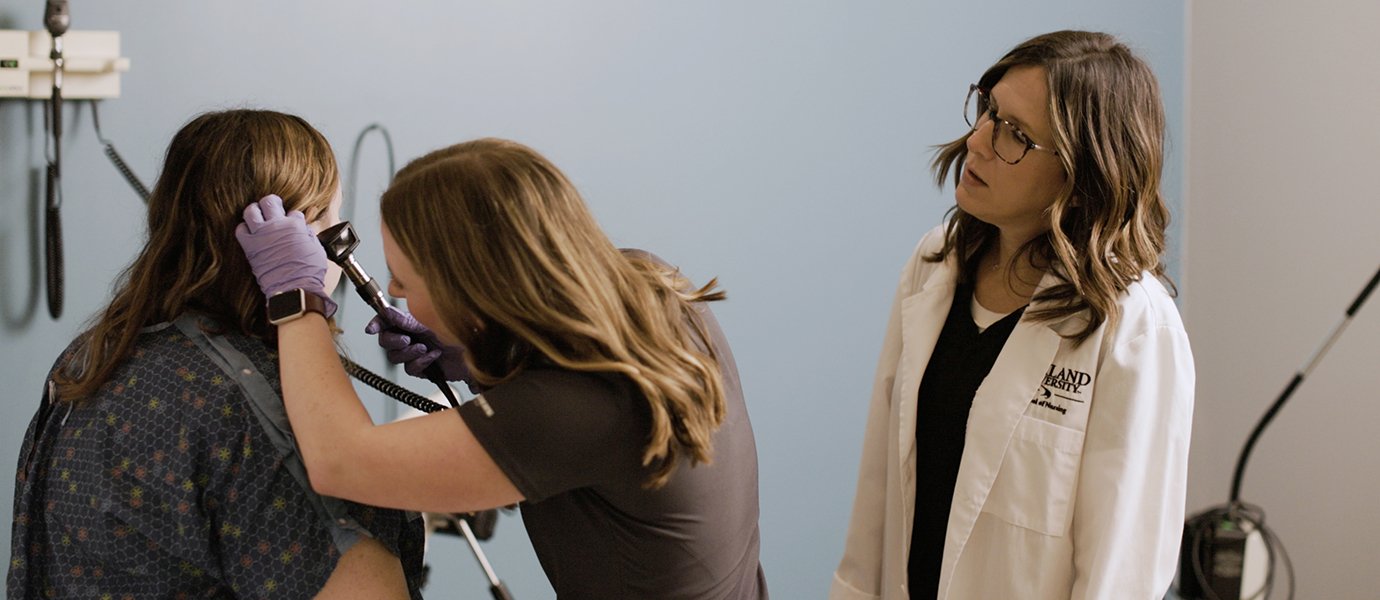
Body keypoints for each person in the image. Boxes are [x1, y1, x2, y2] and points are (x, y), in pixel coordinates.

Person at [233, 137, 768, 598]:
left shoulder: (570, 410)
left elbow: (340, 464)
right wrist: (485, 359)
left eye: (405, 279)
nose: (391, 290)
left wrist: (296, 298)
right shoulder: (648, 286)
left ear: (469, 286)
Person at [830, 30, 1194, 599]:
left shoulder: (1133, 326)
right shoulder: (934, 265)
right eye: (988, 111)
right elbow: (878, 502)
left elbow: (1121, 571)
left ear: (1082, 179)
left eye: (1015, 136)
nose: (977, 141)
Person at [8, 110, 425, 599]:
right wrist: (302, 305)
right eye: (332, 223)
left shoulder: (90, 361)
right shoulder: (269, 408)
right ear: (293, 238)